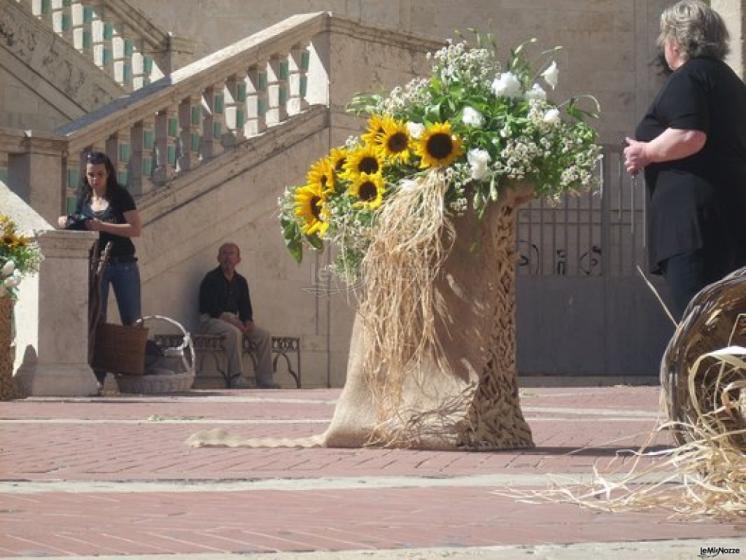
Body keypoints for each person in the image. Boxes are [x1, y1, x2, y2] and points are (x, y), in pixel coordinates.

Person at [624, 0, 746, 321]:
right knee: (728, 329)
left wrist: (645, 152)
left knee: (699, 330)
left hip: (694, 228)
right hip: (731, 222)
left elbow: (691, 134)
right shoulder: (731, 83)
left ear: (675, 42)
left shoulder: (688, 77)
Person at [58, 151, 142, 384]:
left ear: (108, 173)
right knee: (97, 317)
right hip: (97, 264)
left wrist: (101, 225)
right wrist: (69, 222)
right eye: (91, 175)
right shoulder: (84, 197)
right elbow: (82, 223)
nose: (95, 179)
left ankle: (133, 372)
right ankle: (98, 376)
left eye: (100, 174)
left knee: (132, 318)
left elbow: (135, 229)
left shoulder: (120, 195)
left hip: (123, 263)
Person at [198, 242, 278, 389]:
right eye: (224, 253)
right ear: (218, 258)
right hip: (212, 320)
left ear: (238, 259)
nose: (227, 257)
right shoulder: (210, 278)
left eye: (231, 254)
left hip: (234, 320)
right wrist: (231, 321)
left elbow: (245, 306)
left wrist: (248, 321)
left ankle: (265, 378)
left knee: (264, 335)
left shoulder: (241, 281)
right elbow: (209, 307)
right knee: (233, 332)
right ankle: (237, 377)